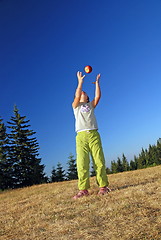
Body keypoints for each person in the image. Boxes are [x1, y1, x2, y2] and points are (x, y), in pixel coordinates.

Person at [72, 71, 111, 199]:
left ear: (87, 98)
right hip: (81, 137)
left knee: (99, 160)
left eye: (85, 93)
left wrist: (97, 84)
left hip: (93, 134)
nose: (83, 93)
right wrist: (80, 82)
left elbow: (98, 96)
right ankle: (83, 190)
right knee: (82, 163)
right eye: (81, 92)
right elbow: (77, 94)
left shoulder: (91, 105)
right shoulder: (76, 106)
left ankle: (103, 187)